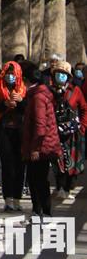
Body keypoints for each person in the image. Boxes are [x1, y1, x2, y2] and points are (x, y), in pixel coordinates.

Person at [21, 61, 62, 219]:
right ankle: (38, 210)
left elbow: (40, 125)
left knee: (38, 180)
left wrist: (35, 148)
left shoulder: (38, 97)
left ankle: (44, 210)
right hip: (41, 144)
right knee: (35, 179)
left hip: (40, 146)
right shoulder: (39, 94)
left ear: (26, 80)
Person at [0, 61, 27, 212]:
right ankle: (8, 198)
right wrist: (4, 104)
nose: (10, 77)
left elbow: (29, 110)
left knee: (20, 165)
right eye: (8, 74)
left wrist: (21, 102)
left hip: (21, 131)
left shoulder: (24, 90)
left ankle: (17, 197)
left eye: (13, 74)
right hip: (4, 131)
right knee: (7, 164)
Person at [49, 61, 87, 199]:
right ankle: (59, 186)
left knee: (71, 161)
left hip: (72, 133)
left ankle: (67, 187)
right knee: (57, 161)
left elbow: (84, 109)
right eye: (58, 73)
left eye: (64, 74)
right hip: (54, 132)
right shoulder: (48, 91)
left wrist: (82, 127)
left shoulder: (75, 91)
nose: (61, 76)